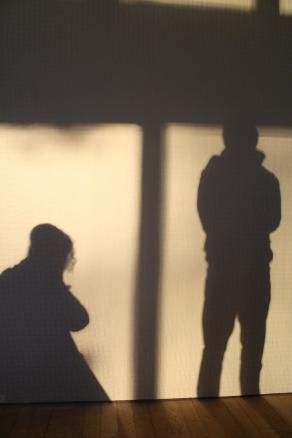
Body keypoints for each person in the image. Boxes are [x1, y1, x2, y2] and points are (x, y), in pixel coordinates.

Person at [197, 119, 281, 397]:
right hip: (256, 269)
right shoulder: (267, 180)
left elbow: (207, 216)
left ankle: (206, 411)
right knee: (253, 346)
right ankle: (251, 407)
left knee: (213, 349)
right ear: (254, 142)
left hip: (222, 267)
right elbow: (272, 220)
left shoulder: (213, 175)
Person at [0, 224, 108, 402]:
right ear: (54, 256)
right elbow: (80, 320)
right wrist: (57, 284)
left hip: (17, 377)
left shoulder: (8, 279)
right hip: (54, 372)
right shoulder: (47, 284)